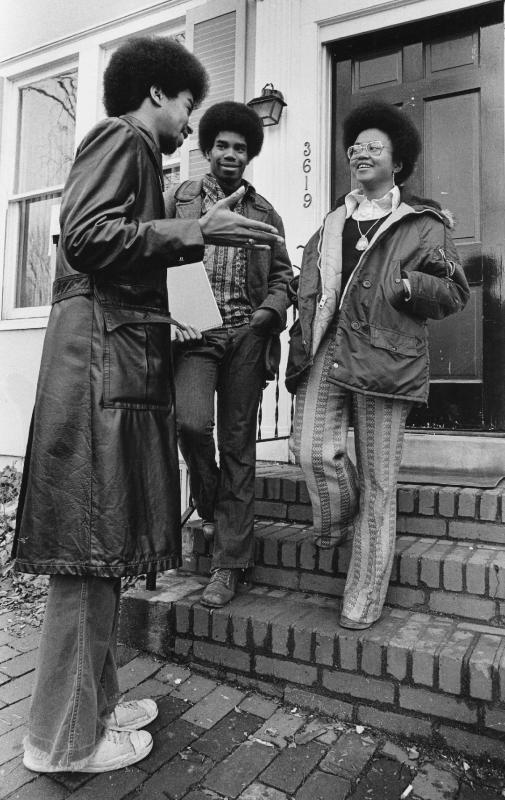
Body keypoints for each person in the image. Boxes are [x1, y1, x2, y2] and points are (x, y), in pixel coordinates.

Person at [12, 37, 284, 775]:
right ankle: (62, 739)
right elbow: (90, 235)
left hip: (110, 367)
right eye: (189, 106)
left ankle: (93, 705)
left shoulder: (140, 156)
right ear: (158, 93)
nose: (190, 122)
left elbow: (119, 251)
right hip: (98, 373)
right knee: (87, 553)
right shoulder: (120, 138)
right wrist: (199, 229)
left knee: (99, 551)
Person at [286, 100, 469, 630]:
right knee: (308, 449)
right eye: (355, 147)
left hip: (387, 358)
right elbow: (312, 289)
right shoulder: (331, 222)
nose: (360, 153)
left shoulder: (422, 224)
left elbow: (454, 291)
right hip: (329, 351)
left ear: (398, 163)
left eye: (373, 147)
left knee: (380, 482)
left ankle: (363, 598)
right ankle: (339, 516)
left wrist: (409, 284)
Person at [165, 101, 292, 609]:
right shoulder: (181, 199)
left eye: (241, 148)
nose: (230, 154)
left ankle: (228, 564)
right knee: (191, 425)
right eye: (222, 145)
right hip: (195, 335)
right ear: (208, 148)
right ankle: (209, 498)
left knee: (238, 446)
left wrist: (269, 313)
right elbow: (153, 254)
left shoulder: (265, 213)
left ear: (250, 154)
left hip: (245, 337)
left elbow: (284, 276)